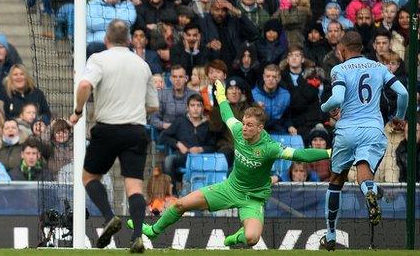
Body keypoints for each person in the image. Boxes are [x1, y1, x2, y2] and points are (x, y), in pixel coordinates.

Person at [127, 80, 330, 247]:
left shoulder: (271, 148)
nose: (244, 128)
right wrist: (221, 96)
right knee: (180, 203)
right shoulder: (238, 130)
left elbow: (302, 155)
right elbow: (226, 115)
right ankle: (153, 231)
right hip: (230, 188)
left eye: (250, 125)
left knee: (252, 239)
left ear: (260, 128)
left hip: (253, 198)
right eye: (244, 123)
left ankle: (236, 237)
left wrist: (329, 152)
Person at [68, 19, 159, 253]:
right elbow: (153, 106)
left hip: (108, 128)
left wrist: (78, 112)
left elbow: (84, 85)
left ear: (106, 40)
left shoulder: (98, 59)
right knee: (134, 187)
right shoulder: (142, 65)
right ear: (129, 40)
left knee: (89, 178)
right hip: (135, 130)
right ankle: (137, 236)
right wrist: (132, 107)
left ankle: (109, 216)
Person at [319, 31, 408, 251]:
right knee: (364, 168)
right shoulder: (379, 67)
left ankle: (330, 236)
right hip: (372, 129)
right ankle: (370, 189)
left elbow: (338, 98)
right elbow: (403, 93)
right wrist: (399, 116)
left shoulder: (338, 69)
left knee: (336, 180)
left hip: (347, 130)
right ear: (361, 48)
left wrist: (324, 108)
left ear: (342, 49)